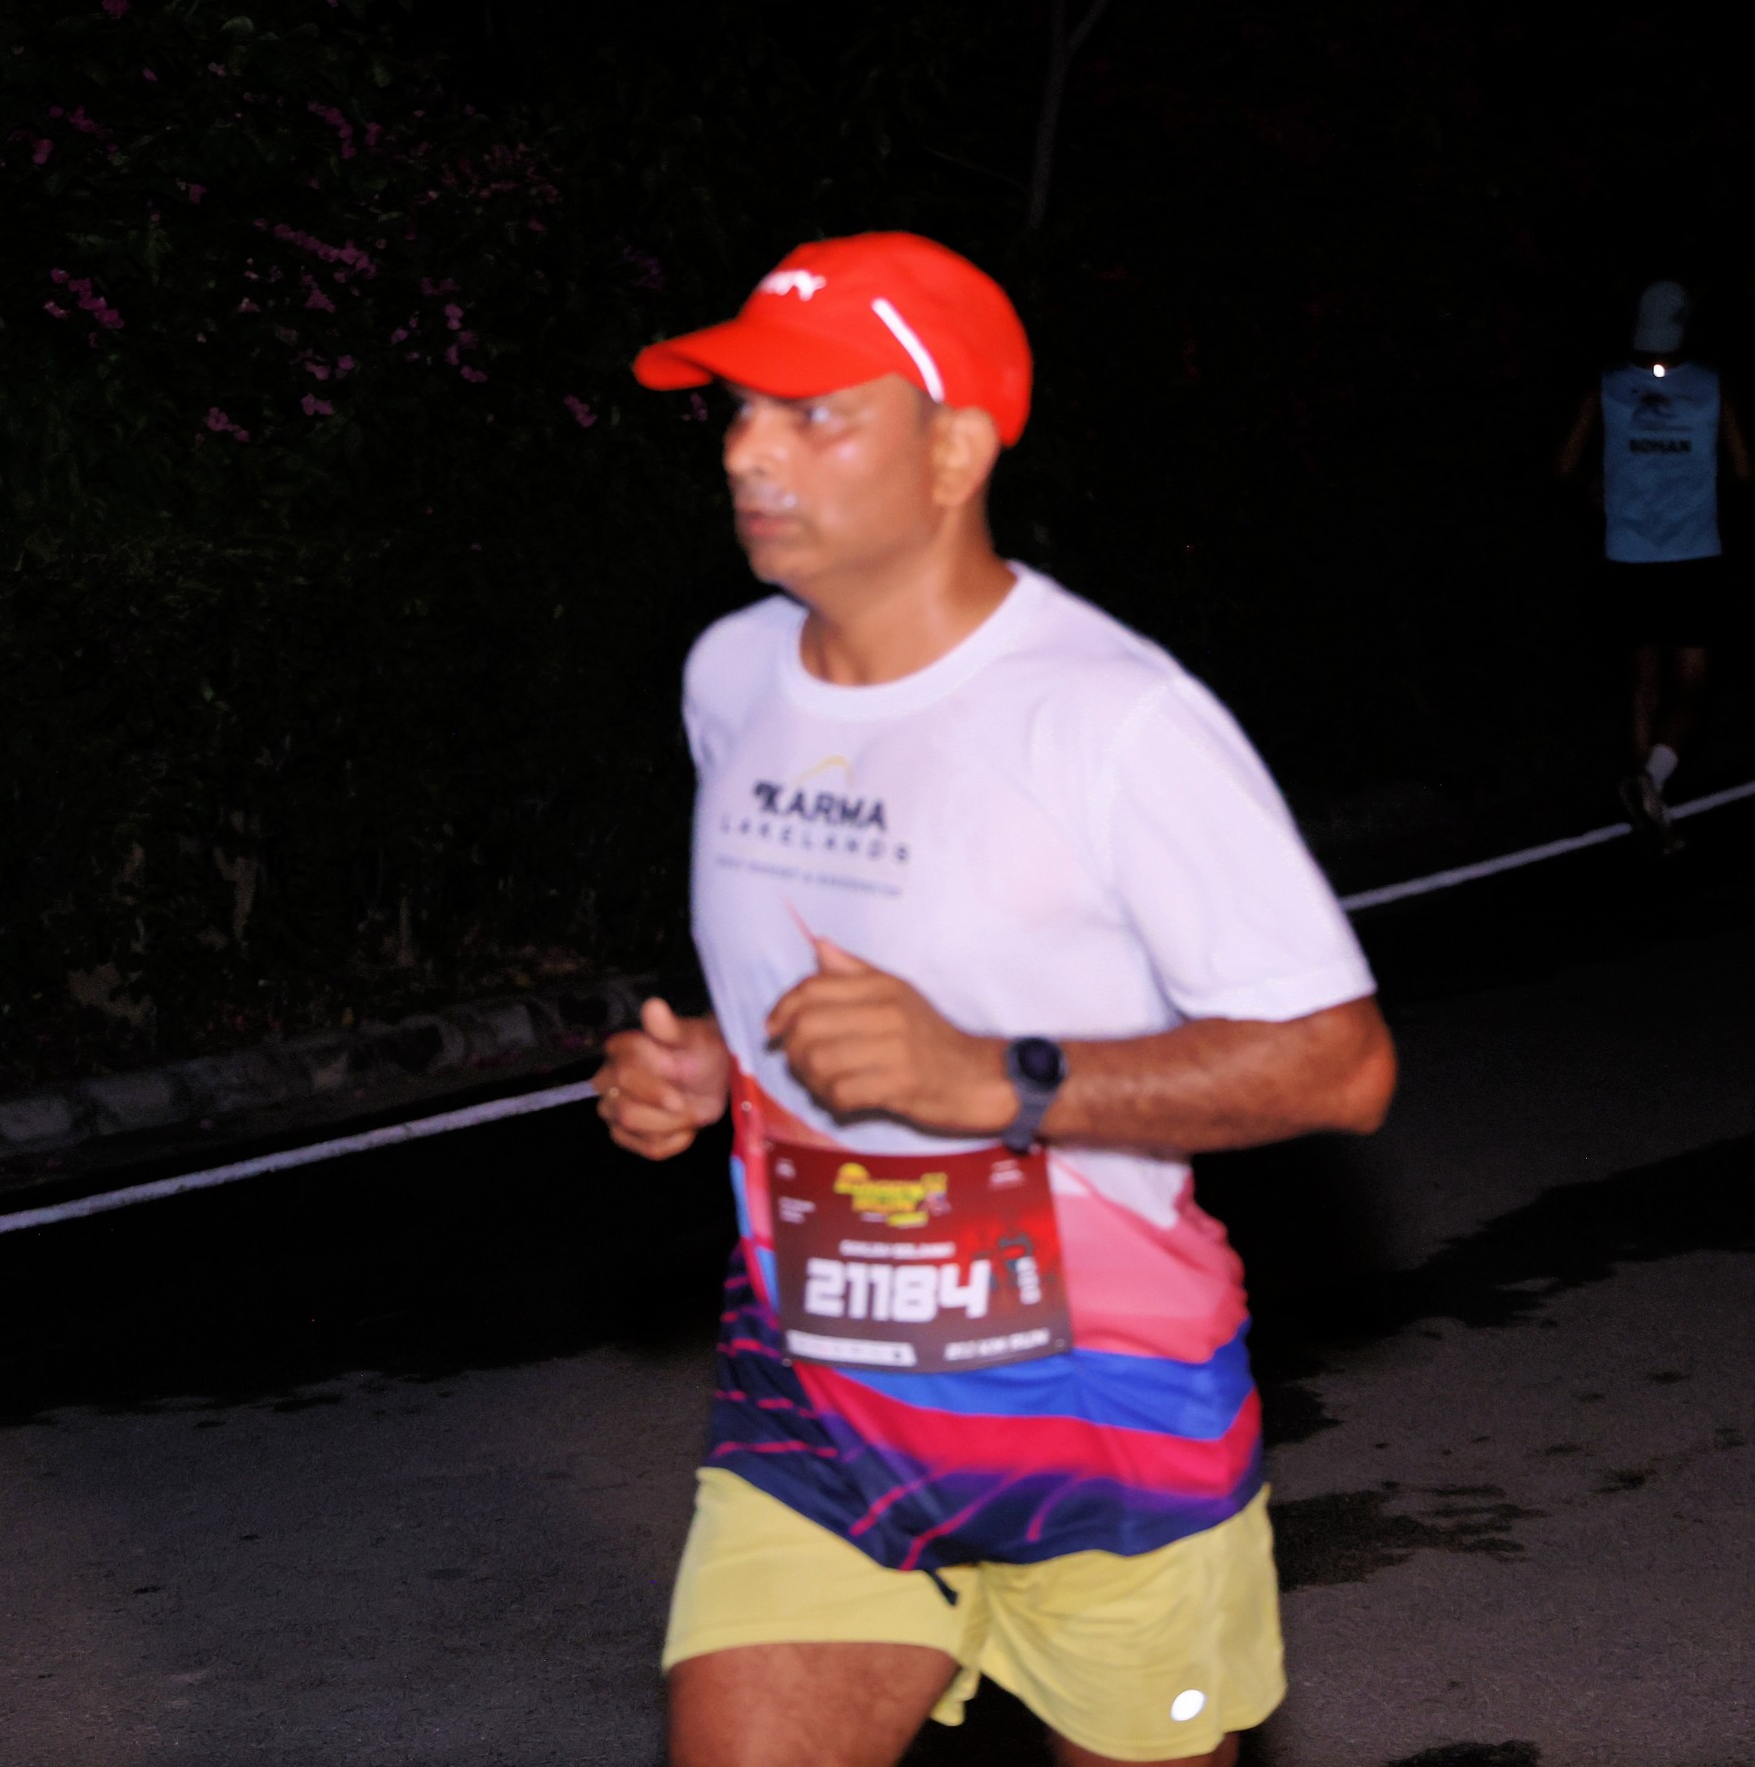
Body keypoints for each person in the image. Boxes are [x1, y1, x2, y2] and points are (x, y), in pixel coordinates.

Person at [592, 231, 1397, 1767]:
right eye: (741, 410)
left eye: (814, 414)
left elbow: (1339, 1065)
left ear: (954, 452)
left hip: (1106, 1419)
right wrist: (717, 1071)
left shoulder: (1113, 720)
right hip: (816, 1415)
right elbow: (824, 984)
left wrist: (998, 1081)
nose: (749, 450)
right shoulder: (732, 679)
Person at [1553, 278, 1754, 851]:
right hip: (1693, 553)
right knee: (1690, 684)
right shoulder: (1712, 385)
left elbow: (1563, 465)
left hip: (1629, 555)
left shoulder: (1605, 386)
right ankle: (1652, 785)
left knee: (1642, 683)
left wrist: (1601, 484)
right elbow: (1744, 471)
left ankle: (1648, 798)